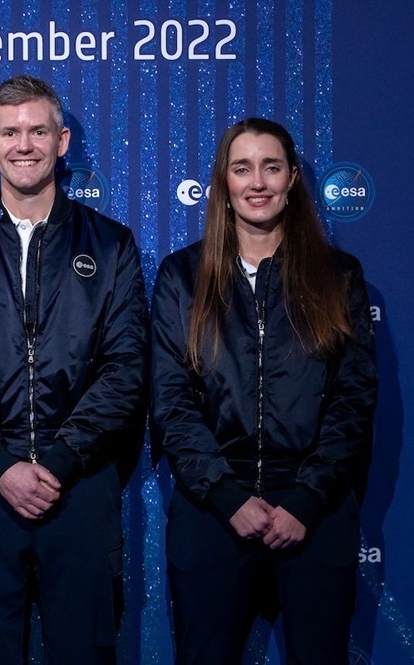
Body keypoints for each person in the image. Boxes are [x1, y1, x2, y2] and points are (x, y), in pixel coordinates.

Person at [0, 74, 149, 664]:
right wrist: (0, 465)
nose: (25, 144)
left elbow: (125, 369)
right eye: (11, 131)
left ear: (62, 140)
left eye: (38, 130)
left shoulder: (111, 244)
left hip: (79, 485)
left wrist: (59, 459)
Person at [149, 117, 378, 664]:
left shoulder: (338, 274)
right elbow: (171, 400)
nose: (258, 182)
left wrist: (304, 499)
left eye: (271, 167)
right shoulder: (182, 275)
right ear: (223, 183)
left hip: (314, 515)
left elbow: (353, 400)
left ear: (293, 178)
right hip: (214, 513)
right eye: (243, 168)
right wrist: (228, 497)